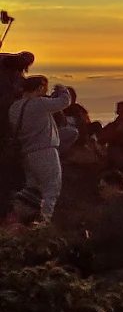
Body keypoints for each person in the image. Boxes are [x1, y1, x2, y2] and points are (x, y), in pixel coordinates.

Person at [7, 75, 72, 221]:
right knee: (51, 190)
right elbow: (64, 102)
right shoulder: (38, 103)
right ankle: (42, 223)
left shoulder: (14, 107)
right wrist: (62, 89)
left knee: (31, 192)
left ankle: (23, 220)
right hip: (45, 151)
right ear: (40, 88)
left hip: (27, 154)